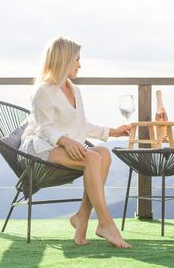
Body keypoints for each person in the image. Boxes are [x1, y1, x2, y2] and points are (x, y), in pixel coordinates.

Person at [19, 36, 131, 248]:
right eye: (76, 60)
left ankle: (82, 216)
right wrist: (65, 141)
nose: (80, 65)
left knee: (103, 154)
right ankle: (106, 223)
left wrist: (112, 132)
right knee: (92, 159)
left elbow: (80, 125)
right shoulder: (42, 91)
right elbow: (43, 130)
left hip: (61, 145)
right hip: (39, 148)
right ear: (63, 60)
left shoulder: (74, 89)